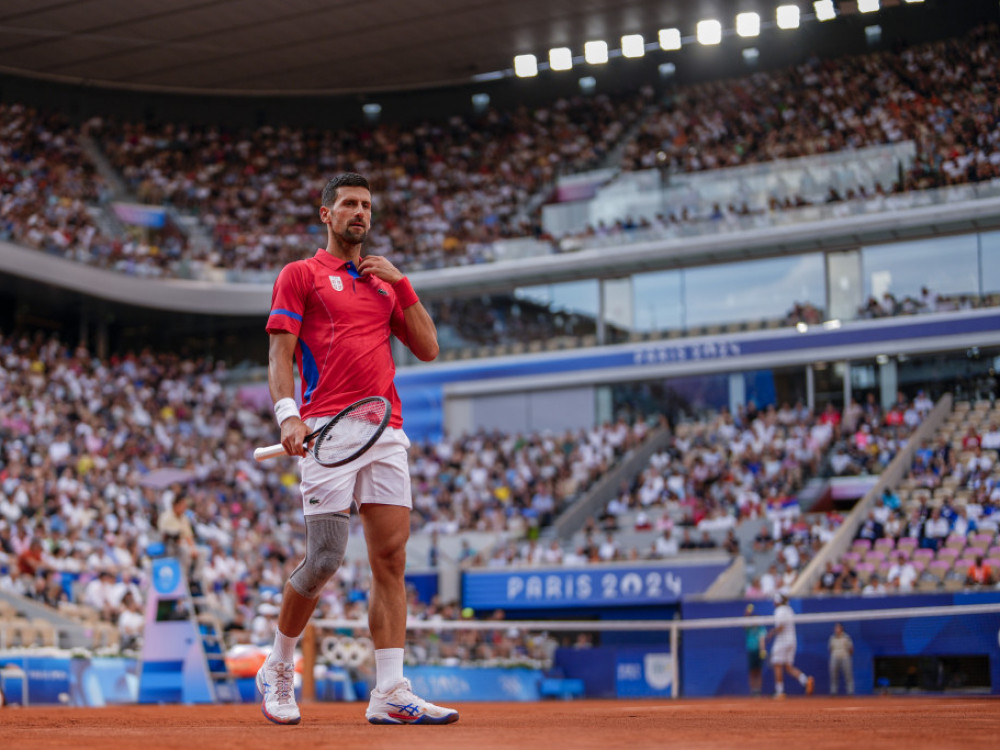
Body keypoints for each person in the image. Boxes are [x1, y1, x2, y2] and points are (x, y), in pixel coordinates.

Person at [258, 173, 457, 726]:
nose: (359, 213)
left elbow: (429, 347)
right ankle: (277, 665)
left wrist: (404, 283)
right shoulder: (300, 275)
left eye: (366, 205)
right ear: (326, 214)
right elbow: (280, 356)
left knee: (391, 561)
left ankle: (390, 691)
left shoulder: (385, 283)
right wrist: (287, 413)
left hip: (385, 429)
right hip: (327, 427)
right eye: (348, 204)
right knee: (324, 559)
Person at [765, 590, 815, 699]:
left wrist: (771, 633)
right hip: (792, 641)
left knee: (777, 664)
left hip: (782, 641)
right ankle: (805, 680)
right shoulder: (789, 609)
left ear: (777, 601)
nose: (774, 602)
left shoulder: (779, 610)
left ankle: (780, 691)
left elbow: (780, 626)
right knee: (788, 667)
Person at [744, 604, 767, 696]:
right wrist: (747, 613)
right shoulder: (749, 628)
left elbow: (762, 640)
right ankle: (753, 690)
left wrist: (762, 650)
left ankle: (758, 690)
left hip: (758, 652)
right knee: (752, 671)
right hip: (751, 651)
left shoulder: (761, 628)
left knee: (759, 671)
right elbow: (744, 623)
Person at [828, 622, 854, 695]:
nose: (836, 629)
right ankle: (833, 692)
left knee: (848, 675)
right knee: (833, 676)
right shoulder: (832, 638)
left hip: (845, 657)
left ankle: (850, 692)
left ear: (841, 629)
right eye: (836, 628)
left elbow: (851, 649)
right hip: (835, 657)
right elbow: (830, 649)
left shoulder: (846, 637)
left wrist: (846, 655)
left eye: (838, 628)